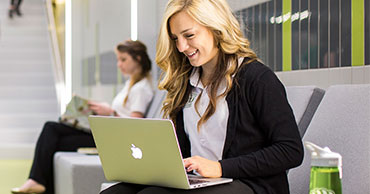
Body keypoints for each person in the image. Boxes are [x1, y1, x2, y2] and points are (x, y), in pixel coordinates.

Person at [101, 0, 304, 194]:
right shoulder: (186, 82)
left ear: (216, 29)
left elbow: (290, 150)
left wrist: (220, 168)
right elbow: (183, 150)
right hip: (198, 180)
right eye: (175, 39)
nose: (181, 47)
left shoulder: (257, 78)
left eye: (189, 35)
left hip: (246, 183)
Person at [11, 40, 154, 194]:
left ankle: (37, 182)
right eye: (118, 60)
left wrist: (111, 113)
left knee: (53, 135)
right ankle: (37, 182)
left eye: (123, 59)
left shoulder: (141, 89)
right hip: (108, 132)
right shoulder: (131, 84)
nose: (119, 64)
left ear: (138, 59)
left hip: (113, 139)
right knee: (52, 130)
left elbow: (136, 126)